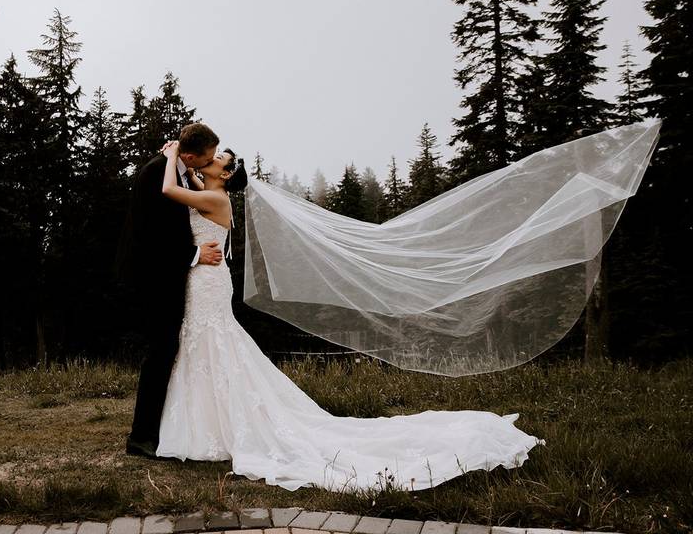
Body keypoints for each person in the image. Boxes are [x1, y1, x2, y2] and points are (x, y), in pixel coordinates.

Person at [151, 140, 544, 492]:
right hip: (204, 277)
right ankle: (209, 425)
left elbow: (169, 189)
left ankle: (213, 428)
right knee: (209, 344)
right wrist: (183, 160)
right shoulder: (207, 190)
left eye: (218, 158)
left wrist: (170, 157)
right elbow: (187, 184)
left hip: (208, 282)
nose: (211, 159)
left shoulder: (215, 199)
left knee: (212, 342)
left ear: (226, 174)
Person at [115, 123, 224, 459]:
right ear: (190, 155)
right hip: (155, 278)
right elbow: (152, 235)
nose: (208, 164)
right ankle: (141, 437)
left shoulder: (176, 170)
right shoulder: (156, 173)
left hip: (170, 277)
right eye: (205, 159)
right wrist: (194, 255)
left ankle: (160, 429)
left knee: (166, 351)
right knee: (160, 352)